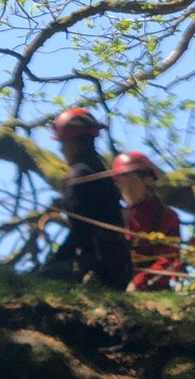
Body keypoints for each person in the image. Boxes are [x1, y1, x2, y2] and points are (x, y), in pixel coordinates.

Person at [38, 108, 132, 289]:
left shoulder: (82, 173)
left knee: (42, 279)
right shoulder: (99, 169)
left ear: (75, 142)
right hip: (117, 266)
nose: (60, 149)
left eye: (63, 143)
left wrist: (54, 261)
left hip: (98, 266)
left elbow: (81, 231)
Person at [112, 151, 182, 292]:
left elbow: (168, 261)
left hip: (152, 289)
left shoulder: (165, 216)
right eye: (121, 183)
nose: (127, 189)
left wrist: (138, 283)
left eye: (131, 181)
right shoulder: (120, 216)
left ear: (148, 180)